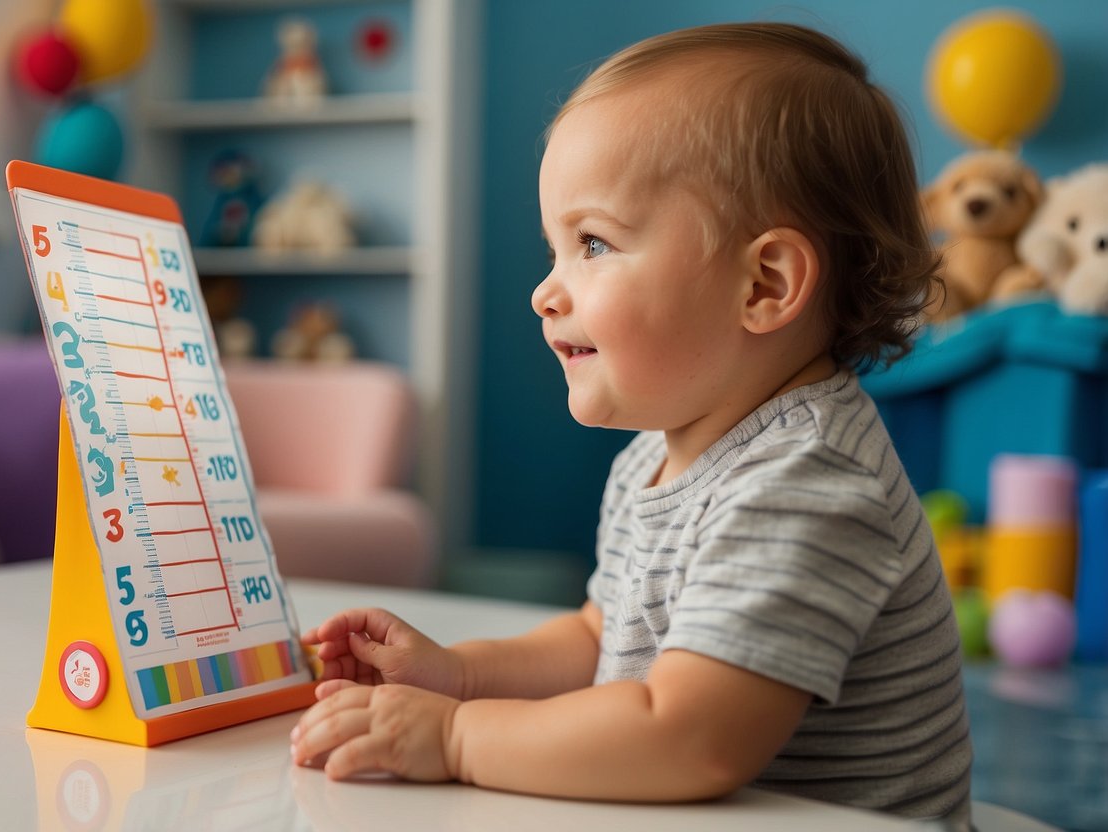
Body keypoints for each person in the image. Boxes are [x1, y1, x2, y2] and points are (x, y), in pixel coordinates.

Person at [290, 21, 971, 828]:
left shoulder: (806, 483)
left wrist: (458, 737)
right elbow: (600, 639)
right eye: (554, 249)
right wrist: (454, 677)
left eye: (592, 243)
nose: (547, 291)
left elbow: (689, 738)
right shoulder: (660, 453)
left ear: (764, 284)